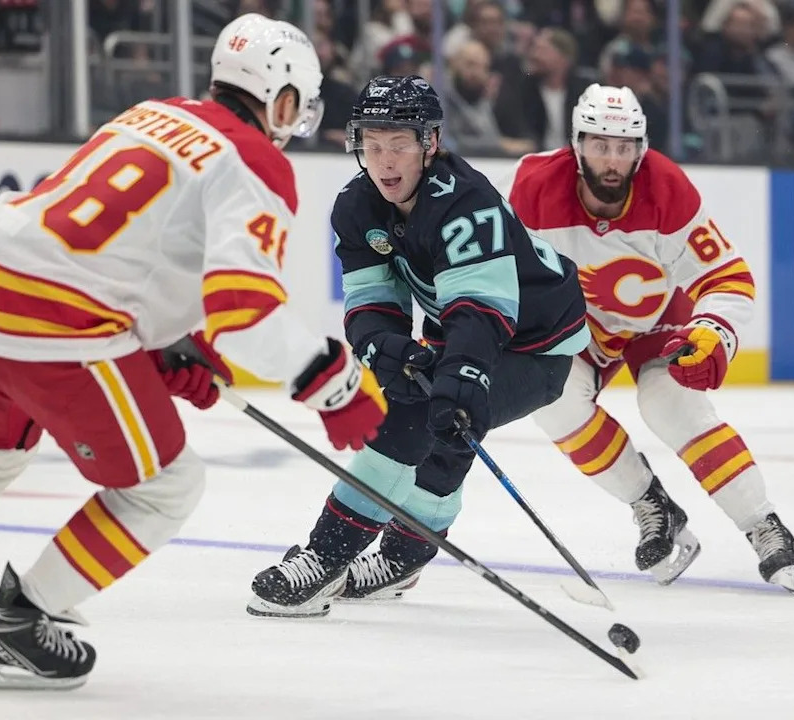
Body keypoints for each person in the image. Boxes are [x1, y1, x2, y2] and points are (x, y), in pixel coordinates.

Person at [0, 13, 387, 690]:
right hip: (52, 326)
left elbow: (118, 245)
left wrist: (167, 341)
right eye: (296, 105)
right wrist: (333, 383)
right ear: (281, 95)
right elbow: (244, 312)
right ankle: (19, 626)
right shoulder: (257, 162)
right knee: (166, 487)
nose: (294, 121)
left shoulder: (153, 112)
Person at [246, 75, 590, 618]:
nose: (384, 161)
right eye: (372, 143)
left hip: (538, 348)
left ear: (430, 143)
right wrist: (386, 348)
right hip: (462, 327)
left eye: (399, 144)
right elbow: (370, 300)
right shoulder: (357, 206)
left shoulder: (466, 203)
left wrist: (462, 378)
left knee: (422, 414)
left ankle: (324, 557)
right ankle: (403, 558)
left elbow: (481, 311)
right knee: (439, 422)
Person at [501, 84, 794, 592]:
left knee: (671, 406)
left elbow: (727, 277)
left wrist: (714, 332)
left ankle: (765, 527)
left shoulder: (668, 191)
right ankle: (652, 504)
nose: (612, 160)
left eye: (624, 148)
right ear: (577, 144)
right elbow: (496, 272)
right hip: (579, 325)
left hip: (658, 322)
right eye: (601, 145)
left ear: (641, 150)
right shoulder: (534, 186)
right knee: (551, 400)